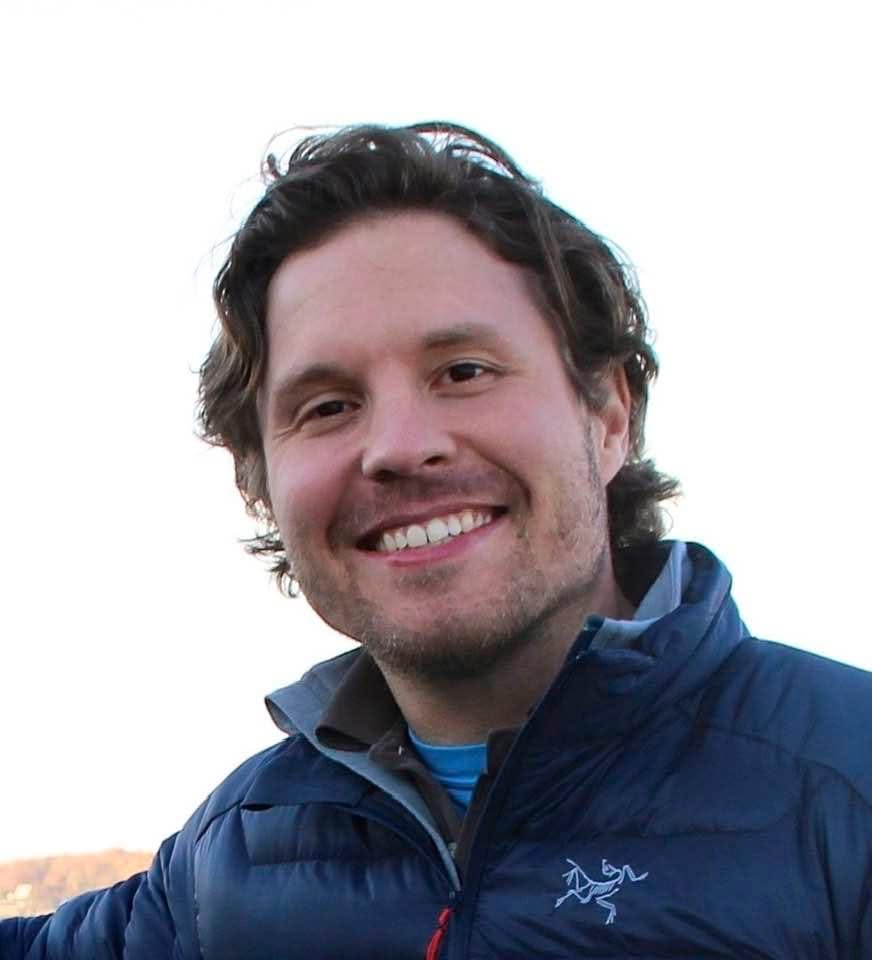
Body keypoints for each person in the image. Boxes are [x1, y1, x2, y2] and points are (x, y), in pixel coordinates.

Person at [3, 122, 871, 959]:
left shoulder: (847, 787)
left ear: (608, 414)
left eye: (463, 372)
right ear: (259, 482)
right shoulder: (229, 864)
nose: (398, 446)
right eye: (328, 406)